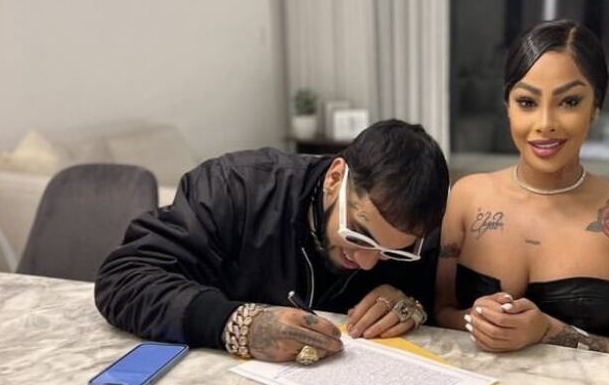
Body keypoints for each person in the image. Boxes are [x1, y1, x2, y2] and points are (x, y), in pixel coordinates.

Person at [95, 119, 449, 364]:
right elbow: (124, 279)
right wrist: (234, 323)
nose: (368, 262)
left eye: (390, 253)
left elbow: (432, 306)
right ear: (335, 178)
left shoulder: (418, 231)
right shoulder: (234, 188)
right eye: (358, 234)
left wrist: (409, 305)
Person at [435, 20, 609, 359]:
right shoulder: (466, 197)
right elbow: (439, 312)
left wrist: (550, 332)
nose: (545, 123)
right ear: (508, 106)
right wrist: (475, 319)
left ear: (595, 108)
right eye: (527, 102)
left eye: (569, 101)